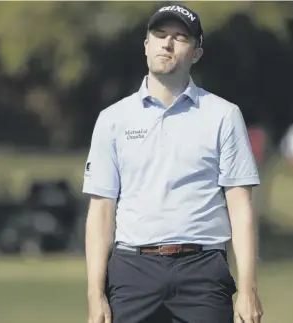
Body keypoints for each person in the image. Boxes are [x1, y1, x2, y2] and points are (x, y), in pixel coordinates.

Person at [83, 4, 263, 323]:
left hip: (203, 271)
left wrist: (247, 290)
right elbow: (101, 211)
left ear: (196, 53)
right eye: (160, 35)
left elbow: (240, 208)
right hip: (132, 271)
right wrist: (95, 293)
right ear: (146, 45)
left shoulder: (223, 115)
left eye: (180, 37)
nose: (167, 43)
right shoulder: (112, 120)